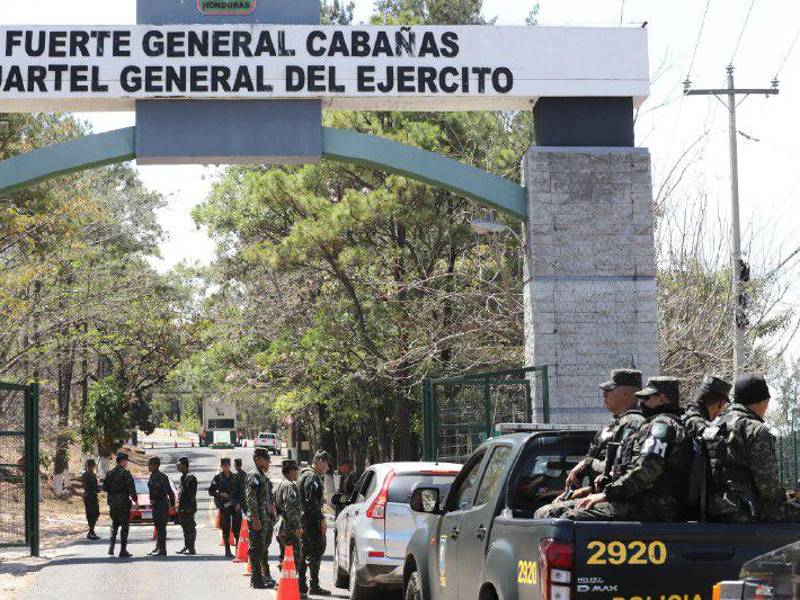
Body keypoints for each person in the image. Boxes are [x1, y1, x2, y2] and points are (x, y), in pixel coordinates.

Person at [563, 377, 692, 522]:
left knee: (568, 517)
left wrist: (608, 494)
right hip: (648, 504)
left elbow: (647, 469)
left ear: (662, 399)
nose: (641, 403)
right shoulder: (673, 423)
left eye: (646, 398)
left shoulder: (661, 425)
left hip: (653, 507)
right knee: (561, 511)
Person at [535, 369, 644, 519]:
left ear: (625, 393)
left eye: (609, 390)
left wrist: (590, 463)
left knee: (551, 515)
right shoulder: (615, 425)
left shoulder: (634, 424)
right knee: (548, 510)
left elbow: (621, 471)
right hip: (604, 494)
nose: (604, 394)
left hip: (620, 500)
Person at [706, 375, 800, 523]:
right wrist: (787, 497)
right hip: (743, 510)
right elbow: (767, 487)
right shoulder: (754, 428)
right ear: (760, 401)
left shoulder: (715, 424)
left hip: (711, 508)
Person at [299, 451, 332, 596]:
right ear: (319, 461)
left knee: (306, 550)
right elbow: (310, 501)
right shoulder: (311, 476)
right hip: (311, 521)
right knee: (316, 550)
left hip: (307, 520)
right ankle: (313, 584)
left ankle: (302, 583)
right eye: (326, 464)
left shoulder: (308, 475)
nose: (327, 468)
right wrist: (321, 519)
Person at [246, 448, 277, 589]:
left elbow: (264, 497)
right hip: (258, 519)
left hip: (265, 518)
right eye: (266, 459)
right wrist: (255, 518)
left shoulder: (262, 476)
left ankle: (264, 576)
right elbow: (251, 498)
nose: (268, 462)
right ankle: (256, 580)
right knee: (256, 548)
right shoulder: (254, 476)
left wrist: (270, 507)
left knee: (263, 548)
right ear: (258, 459)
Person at [276, 459, 307, 596]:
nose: (297, 473)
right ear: (290, 471)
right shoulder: (289, 486)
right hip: (289, 527)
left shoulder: (282, 484)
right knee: (296, 557)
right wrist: (298, 526)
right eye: (296, 470)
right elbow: (290, 509)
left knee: (287, 558)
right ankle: (291, 587)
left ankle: (286, 583)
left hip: (282, 526)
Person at [102, 452, 137, 558]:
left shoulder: (109, 473)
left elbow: (105, 488)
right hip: (123, 503)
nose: (127, 463)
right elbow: (132, 489)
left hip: (113, 502)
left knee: (115, 524)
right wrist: (136, 500)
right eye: (126, 461)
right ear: (123, 461)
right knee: (125, 526)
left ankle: (111, 547)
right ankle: (123, 550)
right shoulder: (126, 473)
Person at [209, 457, 243, 558]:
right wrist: (220, 495)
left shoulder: (235, 477)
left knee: (237, 527)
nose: (226, 467)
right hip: (224, 506)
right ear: (221, 466)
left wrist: (238, 503)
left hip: (234, 505)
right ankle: (227, 550)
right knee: (225, 527)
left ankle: (238, 549)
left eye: (227, 465)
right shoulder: (217, 478)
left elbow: (241, 492)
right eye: (224, 466)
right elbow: (211, 491)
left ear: (230, 466)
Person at [683, 375, 731, 439]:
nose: (723, 409)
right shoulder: (698, 423)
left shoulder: (683, 415)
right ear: (721, 403)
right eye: (724, 405)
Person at [147, 456, 176, 557]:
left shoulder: (156, 477)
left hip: (159, 504)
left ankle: (162, 550)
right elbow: (170, 493)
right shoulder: (163, 476)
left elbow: (156, 492)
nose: (148, 466)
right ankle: (159, 547)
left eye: (150, 464)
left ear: (154, 465)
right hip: (163, 504)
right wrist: (172, 505)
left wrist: (153, 499)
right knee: (160, 527)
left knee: (161, 528)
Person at [176, 456, 198, 555]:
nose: (177, 466)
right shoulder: (182, 477)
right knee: (185, 528)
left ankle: (191, 548)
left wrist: (188, 508)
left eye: (179, 464)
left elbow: (191, 494)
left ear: (184, 465)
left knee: (190, 527)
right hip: (182, 508)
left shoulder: (190, 477)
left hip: (188, 508)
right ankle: (186, 546)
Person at [80, 459, 101, 540]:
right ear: (93, 466)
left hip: (86, 496)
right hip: (92, 496)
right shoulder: (92, 475)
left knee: (89, 514)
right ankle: (91, 531)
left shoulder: (84, 474)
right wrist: (101, 487)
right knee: (96, 513)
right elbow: (96, 489)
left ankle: (91, 531)